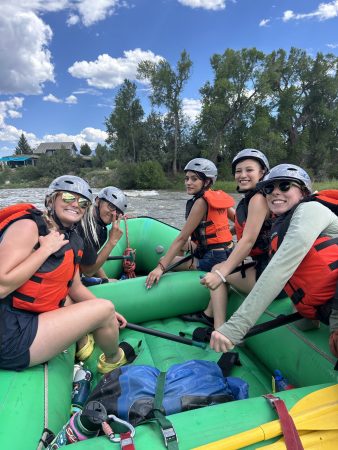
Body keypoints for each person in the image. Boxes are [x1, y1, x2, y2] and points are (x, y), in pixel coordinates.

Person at [201, 164, 338, 358]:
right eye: (268, 188)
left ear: (303, 192)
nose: (275, 192)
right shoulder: (282, 223)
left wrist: (234, 328)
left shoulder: (311, 210)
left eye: (284, 186)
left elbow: (280, 268)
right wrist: (306, 310)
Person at [0, 175, 133, 373]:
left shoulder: (73, 238)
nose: (75, 205)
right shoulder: (28, 226)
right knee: (105, 308)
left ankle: (85, 345)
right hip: (10, 334)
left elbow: (75, 286)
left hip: (31, 318)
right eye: (69, 198)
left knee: (101, 310)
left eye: (82, 202)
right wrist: (44, 250)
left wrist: (109, 316)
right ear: (52, 199)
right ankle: (113, 360)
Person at [146, 158, 235, 328]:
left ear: (207, 181)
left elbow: (181, 237)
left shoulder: (201, 202)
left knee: (169, 259)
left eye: (194, 179)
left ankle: (179, 283)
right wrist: (225, 235)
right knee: (187, 245)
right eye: (187, 178)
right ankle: (186, 267)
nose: (188, 182)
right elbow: (240, 224)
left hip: (213, 257)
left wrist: (161, 267)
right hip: (226, 251)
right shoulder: (217, 197)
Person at [198, 149, 271, 327]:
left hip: (271, 275)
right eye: (238, 171)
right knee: (220, 268)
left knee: (217, 270)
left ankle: (219, 328)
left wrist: (221, 274)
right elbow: (249, 229)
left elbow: (248, 240)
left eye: (249, 170)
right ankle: (208, 316)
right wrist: (226, 232)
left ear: (262, 173)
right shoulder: (255, 198)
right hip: (266, 265)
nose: (242, 175)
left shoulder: (258, 199)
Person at [79, 186, 128, 285]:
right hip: (68, 280)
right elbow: (88, 271)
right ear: (97, 201)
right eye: (111, 206)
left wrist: (105, 279)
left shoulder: (96, 223)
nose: (113, 213)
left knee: (110, 281)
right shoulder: (88, 226)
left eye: (118, 212)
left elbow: (91, 258)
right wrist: (112, 241)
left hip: (75, 274)